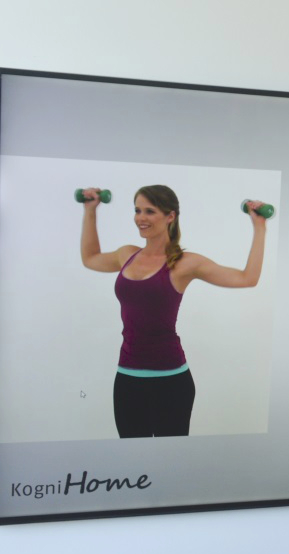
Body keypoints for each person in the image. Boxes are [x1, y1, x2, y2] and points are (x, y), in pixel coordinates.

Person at [79, 185, 268, 438]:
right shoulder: (127, 255)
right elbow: (90, 258)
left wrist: (260, 227)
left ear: (170, 216)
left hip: (171, 381)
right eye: (137, 210)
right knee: (134, 464)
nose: (141, 218)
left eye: (150, 211)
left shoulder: (184, 263)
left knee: (171, 464)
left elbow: (247, 278)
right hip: (127, 378)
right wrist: (90, 210)